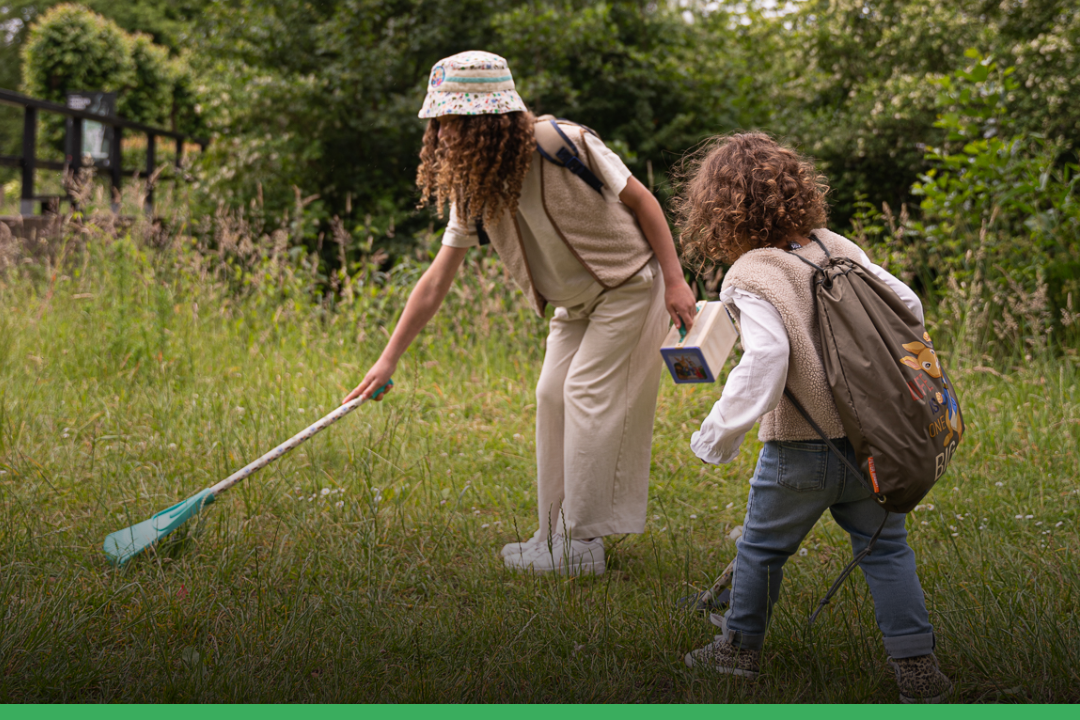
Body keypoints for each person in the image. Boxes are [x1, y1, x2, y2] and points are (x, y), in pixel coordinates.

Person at [343, 51, 698, 576]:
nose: (440, 135)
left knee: (585, 394)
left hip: (628, 286)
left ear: (488, 119)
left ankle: (582, 545)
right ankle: (552, 535)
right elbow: (437, 278)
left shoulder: (563, 142)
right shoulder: (476, 182)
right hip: (575, 305)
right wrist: (388, 359)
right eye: (437, 122)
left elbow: (644, 201)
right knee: (551, 394)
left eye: (450, 122)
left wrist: (674, 279)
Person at [673, 132, 952, 703]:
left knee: (761, 548)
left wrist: (718, 432)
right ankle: (918, 669)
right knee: (886, 549)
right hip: (870, 441)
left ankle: (736, 651)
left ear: (720, 209)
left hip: (800, 447)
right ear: (798, 190)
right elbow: (909, 307)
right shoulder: (838, 247)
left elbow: (769, 357)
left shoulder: (751, 273)